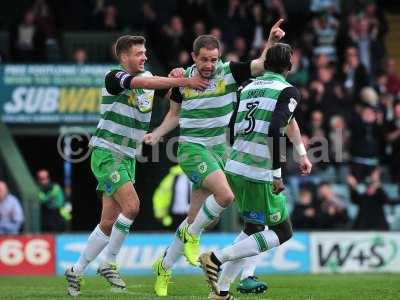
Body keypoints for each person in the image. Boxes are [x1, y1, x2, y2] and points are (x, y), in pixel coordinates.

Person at [144, 20, 287, 297]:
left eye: (213, 59)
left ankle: (163, 265)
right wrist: (158, 134)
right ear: (193, 57)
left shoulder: (228, 73)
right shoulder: (182, 80)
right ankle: (193, 237)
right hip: (192, 149)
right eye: (204, 59)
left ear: (219, 57)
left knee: (196, 218)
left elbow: (262, 63)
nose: (209, 64)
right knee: (225, 196)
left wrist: (271, 40)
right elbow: (174, 115)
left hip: (220, 151)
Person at [64, 35, 208, 297]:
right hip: (107, 152)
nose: (143, 57)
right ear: (123, 58)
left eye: (144, 53)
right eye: (138, 53)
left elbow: (171, 95)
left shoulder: (150, 77)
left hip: (127, 156)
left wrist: (176, 77)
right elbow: (142, 82)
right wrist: (184, 79)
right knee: (132, 206)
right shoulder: (114, 77)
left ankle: (76, 269)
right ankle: (109, 262)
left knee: (108, 222)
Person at [198, 43, 312, 299]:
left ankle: (221, 292)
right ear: (289, 67)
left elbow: (286, 123)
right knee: (283, 231)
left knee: (253, 228)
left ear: (266, 64)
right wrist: (277, 173)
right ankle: (216, 258)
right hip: (258, 172)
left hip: (235, 166)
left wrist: (302, 154)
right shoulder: (288, 90)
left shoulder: (249, 87)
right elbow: (275, 128)